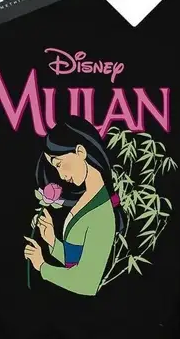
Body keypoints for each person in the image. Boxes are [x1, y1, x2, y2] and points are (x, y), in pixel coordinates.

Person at [24, 117, 125, 296]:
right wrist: (52, 242)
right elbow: (77, 261)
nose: (60, 175)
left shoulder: (102, 213)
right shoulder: (89, 198)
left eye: (59, 164)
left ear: (80, 151)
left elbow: (87, 283)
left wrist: (42, 266)